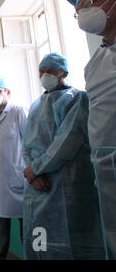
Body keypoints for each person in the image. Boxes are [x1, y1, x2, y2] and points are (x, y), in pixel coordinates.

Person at [22, 53, 105, 260]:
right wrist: (33, 173)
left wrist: (36, 168)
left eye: (50, 71)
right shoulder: (35, 105)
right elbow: (26, 145)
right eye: (42, 71)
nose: (45, 74)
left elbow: (66, 141)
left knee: (74, 245)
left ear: (63, 73)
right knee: (42, 242)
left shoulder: (77, 98)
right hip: (38, 187)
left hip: (68, 184)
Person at [73, 0, 116, 260]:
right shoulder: (94, 64)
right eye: (78, 11)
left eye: (90, 2)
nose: (84, 13)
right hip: (105, 168)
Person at [0, 75, 27, 260]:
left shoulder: (19, 112)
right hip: (0, 182)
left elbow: (30, 142)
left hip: (21, 180)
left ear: (7, 93)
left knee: (27, 227)